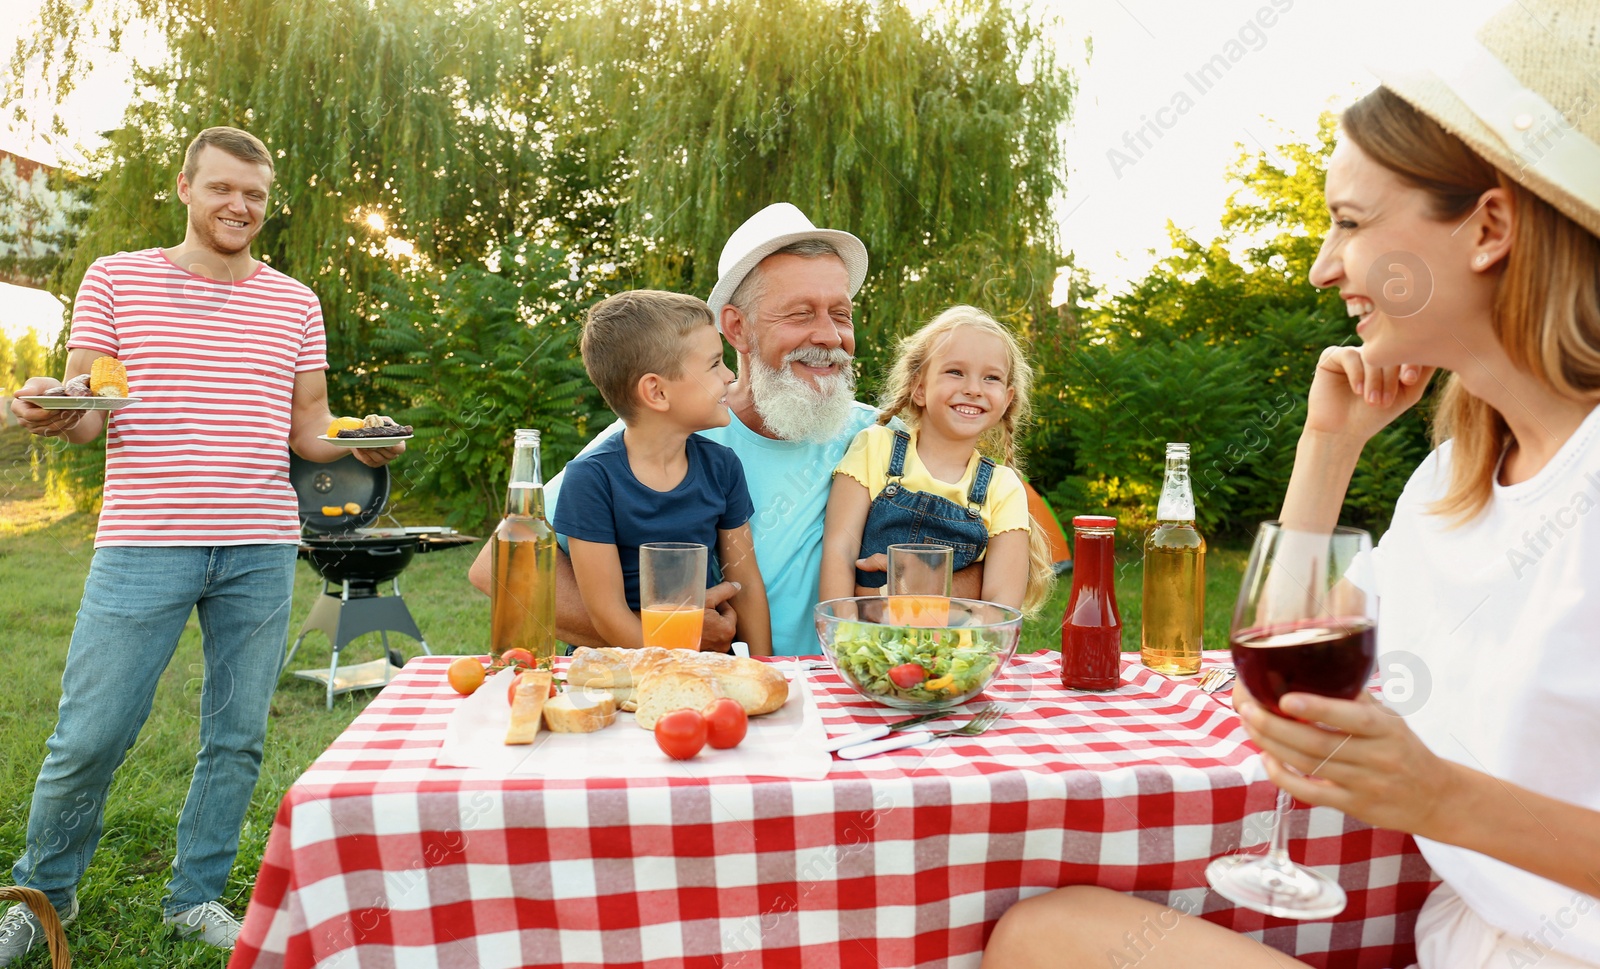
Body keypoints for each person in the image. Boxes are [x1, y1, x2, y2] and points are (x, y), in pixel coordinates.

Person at [981, 2, 1600, 967]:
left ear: (1490, 226)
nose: (1322, 268)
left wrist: (1439, 797)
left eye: (1350, 223)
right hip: (1457, 948)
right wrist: (1328, 447)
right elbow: (1278, 671)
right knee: (1044, 933)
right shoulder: (1457, 480)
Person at [0, 126, 405, 963]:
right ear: (184, 188)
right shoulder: (115, 277)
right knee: (91, 731)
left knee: (237, 735)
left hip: (258, 543)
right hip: (144, 540)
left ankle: (195, 895)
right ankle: (44, 889)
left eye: (254, 194)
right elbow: (87, 416)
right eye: (223, 188)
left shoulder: (295, 302)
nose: (240, 206)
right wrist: (49, 403)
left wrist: (362, 441)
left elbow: (307, 427)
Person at [470, 203, 986, 654]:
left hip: (840, 699)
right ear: (736, 328)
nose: (830, 337)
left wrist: (916, 593)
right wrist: (673, 637)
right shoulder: (662, 432)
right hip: (705, 695)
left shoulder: (887, 438)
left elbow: (1012, 546)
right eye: (801, 313)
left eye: (841, 314)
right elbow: (500, 571)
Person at [550, 289, 772, 654]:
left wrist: (765, 668)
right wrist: (674, 662)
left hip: (705, 659)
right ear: (656, 392)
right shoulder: (591, 480)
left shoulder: (723, 466)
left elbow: (744, 580)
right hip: (625, 665)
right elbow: (607, 613)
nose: (730, 375)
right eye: (715, 363)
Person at [819, 304, 1054, 612]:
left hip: (958, 652)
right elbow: (840, 550)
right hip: (868, 646)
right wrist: (843, 639)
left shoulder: (1003, 487)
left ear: (1007, 400)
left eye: (991, 378)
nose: (973, 389)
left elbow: (999, 606)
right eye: (955, 372)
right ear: (919, 387)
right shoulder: (874, 447)